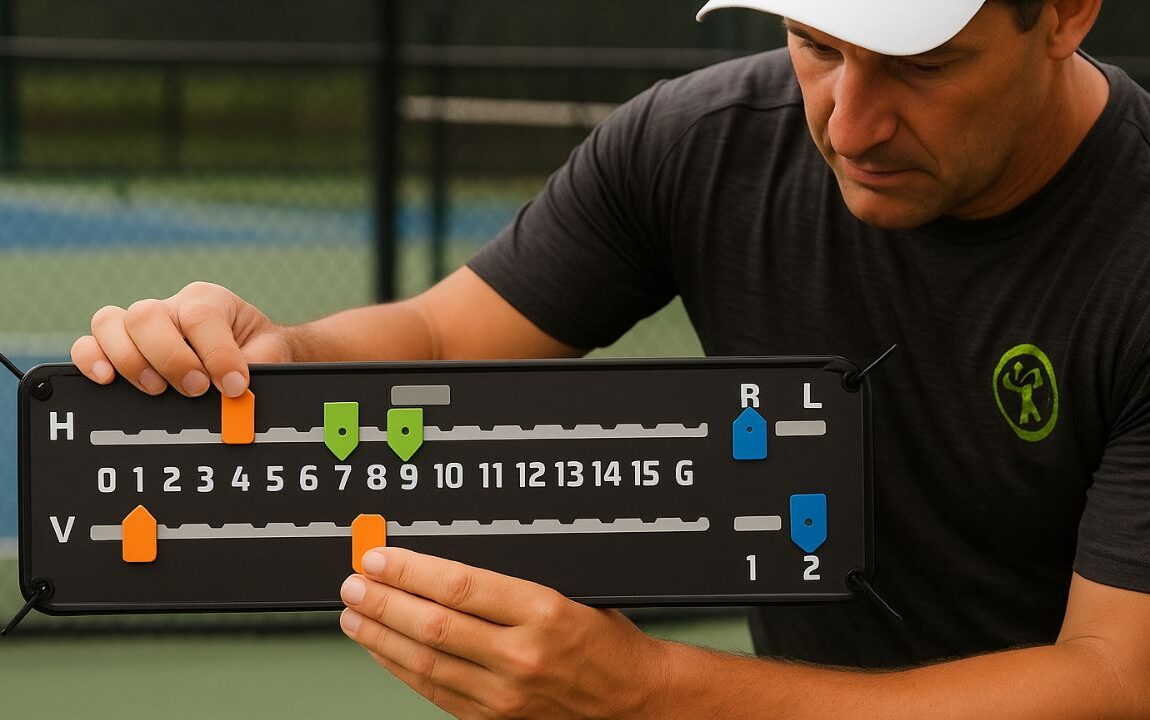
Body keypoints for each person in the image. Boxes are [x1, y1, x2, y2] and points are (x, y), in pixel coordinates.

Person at [71, 0, 1150, 716]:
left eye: (920, 63)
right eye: (815, 45)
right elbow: (449, 338)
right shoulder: (699, 140)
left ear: (1063, 13)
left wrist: (652, 690)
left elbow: (1109, 678)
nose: (849, 123)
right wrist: (276, 352)